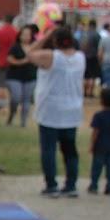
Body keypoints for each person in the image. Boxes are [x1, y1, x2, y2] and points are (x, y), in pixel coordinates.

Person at [27, 25, 86, 198]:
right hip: (72, 109)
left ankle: (51, 184)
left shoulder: (50, 57)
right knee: (70, 150)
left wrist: (45, 38)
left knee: (49, 149)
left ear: (55, 41)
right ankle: (71, 184)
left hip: (50, 110)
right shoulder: (80, 58)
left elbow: (30, 53)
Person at [88, 88, 110, 196]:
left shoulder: (98, 116)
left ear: (101, 100)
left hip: (100, 145)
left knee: (97, 167)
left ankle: (94, 185)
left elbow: (95, 132)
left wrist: (92, 144)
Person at [3, 24, 38, 126]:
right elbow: (9, 59)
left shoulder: (35, 47)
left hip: (30, 77)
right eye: (24, 34)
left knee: (27, 100)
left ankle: (23, 122)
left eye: (28, 35)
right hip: (15, 76)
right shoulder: (15, 47)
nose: (26, 37)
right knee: (16, 97)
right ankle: (12, 114)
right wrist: (23, 61)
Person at [80, 19, 101, 98]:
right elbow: (99, 47)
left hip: (84, 57)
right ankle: (90, 93)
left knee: (85, 76)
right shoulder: (97, 35)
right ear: (95, 26)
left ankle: (85, 92)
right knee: (92, 76)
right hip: (94, 56)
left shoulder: (84, 34)